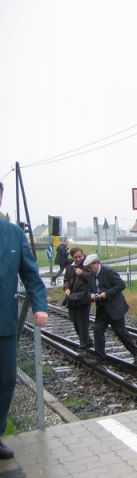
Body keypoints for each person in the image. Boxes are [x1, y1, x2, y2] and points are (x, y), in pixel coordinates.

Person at [0, 181, 48, 460]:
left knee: (5, 380)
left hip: (4, 324)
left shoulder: (13, 234)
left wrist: (40, 306)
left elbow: (31, 275)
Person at [84, 254, 137, 365]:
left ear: (96, 263)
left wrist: (107, 294)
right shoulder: (91, 275)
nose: (89, 270)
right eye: (88, 268)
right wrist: (91, 295)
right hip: (101, 309)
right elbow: (90, 290)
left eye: (90, 267)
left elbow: (121, 285)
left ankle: (136, 351)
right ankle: (100, 358)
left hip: (115, 307)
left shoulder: (108, 271)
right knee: (98, 331)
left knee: (120, 331)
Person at [63, 247, 92, 353]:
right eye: (76, 257)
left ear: (83, 255)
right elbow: (66, 279)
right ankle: (87, 340)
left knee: (83, 322)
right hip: (72, 298)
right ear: (72, 257)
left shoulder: (88, 265)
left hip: (84, 297)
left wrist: (82, 273)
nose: (78, 259)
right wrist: (67, 288)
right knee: (75, 321)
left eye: (80, 256)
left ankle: (84, 345)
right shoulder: (70, 266)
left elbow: (92, 278)